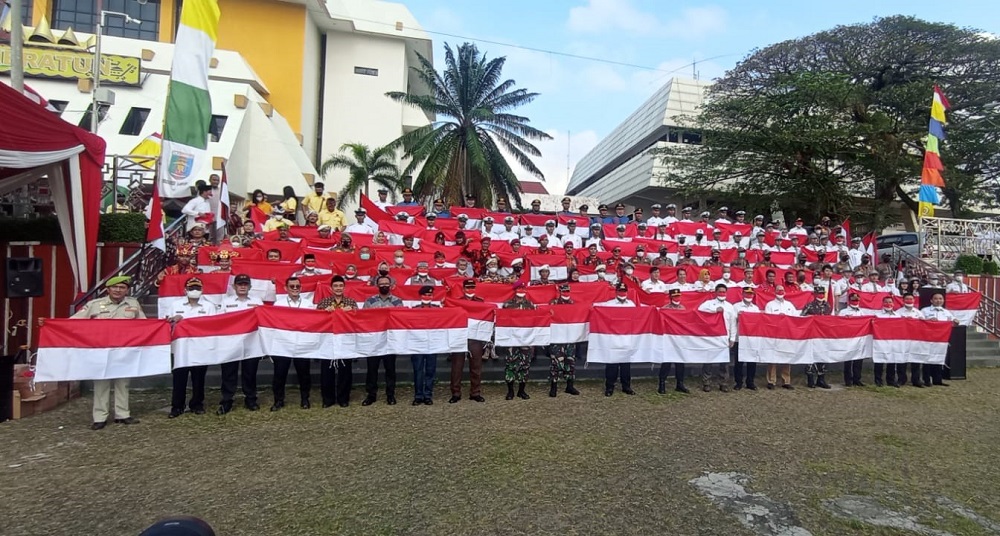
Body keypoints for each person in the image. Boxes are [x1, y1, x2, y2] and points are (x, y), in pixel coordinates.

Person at [63, 275, 145, 429]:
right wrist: (50, 324)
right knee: (101, 384)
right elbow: (73, 322)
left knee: (123, 383)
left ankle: (123, 414)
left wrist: (162, 324)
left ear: (127, 290)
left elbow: (144, 324)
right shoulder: (94, 305)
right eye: (115, 287)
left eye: (122, 288)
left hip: (123, 351)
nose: (118, 290)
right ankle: (100, 417)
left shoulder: (133, 304)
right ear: (108, 289)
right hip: (101, 351)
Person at [166, 277, 219, 418]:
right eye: (191, 288)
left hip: (200, 347)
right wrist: (174, 320)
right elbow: (165, 325)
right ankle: (177, 406)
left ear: (202, 290)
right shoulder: (175, 305)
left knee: (199, 378)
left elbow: (213, 326)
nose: (194, 291)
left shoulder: (209, 307)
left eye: (197, 288)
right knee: (179, 378)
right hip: (180, 348)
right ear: (185, 290)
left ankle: (197, 403)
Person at [217, 274, 264, 414]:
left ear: (250, 286)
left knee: (250, 373)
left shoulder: (257, 301)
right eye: (239, 284)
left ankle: (250, 399)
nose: (242, 286)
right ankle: (227, 401)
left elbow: (264, 319)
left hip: (251, 342)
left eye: (245, 284)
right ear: (234, 286)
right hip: (230, 343)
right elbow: (219, 320)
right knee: (228, 373)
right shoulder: (226, 302)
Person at [268, 277, 314, 411]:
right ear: (286, 288)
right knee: (279, 374)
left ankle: (305, 399)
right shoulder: (279, 304)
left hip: (302, 344)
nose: (295, 289)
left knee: (304, 374)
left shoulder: (308, 304)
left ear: (301, 288)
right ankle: (278, 400)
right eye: (292, 286)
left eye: (297, 286)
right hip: (283, 344)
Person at [361, 276, 404, 405]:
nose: (384, 285)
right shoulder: (369, 301)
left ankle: (390, 395)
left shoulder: (397, 302)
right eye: (382, 284)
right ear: (377, 285)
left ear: (391, 285)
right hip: (374, 341)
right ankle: (371, 395)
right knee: (372, 369)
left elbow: (400, 320)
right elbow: (363, 319)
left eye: (386, 283)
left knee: (390, 370)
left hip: (390, 341)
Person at [316, 276, 358, 407]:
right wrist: (324, 312)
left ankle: (343, 398)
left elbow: (358, 322)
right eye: (336, 286)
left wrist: (352, 313)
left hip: (345, 341)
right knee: (326, 371)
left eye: (340, 286)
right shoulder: (324, 303)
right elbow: (316, 321)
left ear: (344, 288)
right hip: (328, 341)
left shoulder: (351, 303)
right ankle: (327, 400)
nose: (338, 288)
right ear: (331, 288)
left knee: (345, 371)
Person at [450, 279, 487, 403]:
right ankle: (455, 393)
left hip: (475, 337)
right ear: (464, 288)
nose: (470, 290)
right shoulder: (458, 302)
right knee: (457, 366)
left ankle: (475, 392)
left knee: (476, 366)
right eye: (468, 287)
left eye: (472, 287)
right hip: (460, 336)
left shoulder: (480, 302)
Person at [500, 282, 536, 400]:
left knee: (525, 365)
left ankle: (521, 390)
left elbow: (535, 321)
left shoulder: (530, 305)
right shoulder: (507, 304)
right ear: (515, 290)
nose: (522, 290)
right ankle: (510, 391)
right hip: (512, 340)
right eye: (519, 288)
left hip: (526, 340)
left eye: (523, 288)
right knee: (510, 364)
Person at [698, 284, 736, 392]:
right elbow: (700, 311)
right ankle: (706, 382)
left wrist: (732, 338)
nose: (722, 294)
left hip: (725, 337)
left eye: (724, 292)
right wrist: (714, 310)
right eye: (720, 291)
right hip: (711, 337)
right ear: (715, 292)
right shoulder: (708, 304)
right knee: (708, 361)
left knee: (724, 362)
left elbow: (733, 323)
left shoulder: (730, 306)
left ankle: (723, 383)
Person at [601, 283, 636, 396]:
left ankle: (626, 386)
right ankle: (609, 387)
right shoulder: (609, 304)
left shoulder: (631, 304)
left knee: (626, 365)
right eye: (620, 291)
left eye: (624, 291)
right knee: (612, 365)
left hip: (626, 338)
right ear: (616, 291)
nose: (622, 293)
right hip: (613, 338)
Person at [547, 284, 580, 397]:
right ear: (560, 291)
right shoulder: (553, 303)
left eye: (568, 291)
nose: (566, 292)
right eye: (564, 291)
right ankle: (554, 387)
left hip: (570, 338)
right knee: (555, 363)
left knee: (570, 362)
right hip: (557, 338)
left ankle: (569, 386)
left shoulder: (573, 303)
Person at [921, 292, 959, 387]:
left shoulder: (946, 312)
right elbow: (920, 322)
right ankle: (926, 380)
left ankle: (937, 380)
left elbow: (954, 322)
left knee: (939, 358)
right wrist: (929, 321)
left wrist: (956, 322)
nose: (938, 300)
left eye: (940, 298)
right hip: (928, 339)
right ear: (931, 300)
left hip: (941, 340)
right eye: (936, 298)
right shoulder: (924, 311)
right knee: (927, 359)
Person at [410, 286, 439, 405]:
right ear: (420, 296)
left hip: (433, 343)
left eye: (429, 295)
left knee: (430, 370)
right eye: (425, 295)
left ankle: (428, 395)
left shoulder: (438, 310)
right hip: (417, 343)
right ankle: (418, 395)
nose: (427, 297)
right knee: (418, 370)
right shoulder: (414, 309)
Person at [763, 286, 796, 390]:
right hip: (774, 335)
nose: (780, 292)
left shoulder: (789, 305)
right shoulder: (770, 305)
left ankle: (786, 381)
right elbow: (767, 319)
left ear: (785, 292)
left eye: (782, 290)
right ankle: (771, 381)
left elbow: (795, 318)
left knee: (786, 357)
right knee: (772, 358)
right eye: (778, 290)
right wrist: (778, 318)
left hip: (787, 335)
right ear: (774, 292)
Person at [801, 286, 833, 389]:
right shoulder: (809, 306)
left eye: (822, 293)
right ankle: (810, 379)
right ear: (815, 294)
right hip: (812, 335)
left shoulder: (828, 305)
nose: (821, 295)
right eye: (819, 293)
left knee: (823, 357)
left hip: (824, 335)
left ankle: (821, 379)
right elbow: (802, 318)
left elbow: (830, 319)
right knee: (810, 357)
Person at [659, 289, 690, 394]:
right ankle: (662, 384)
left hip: (679, 338)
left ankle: (680, 384)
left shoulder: (683, 308)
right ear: (670, 297)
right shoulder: (665, 309)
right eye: (675, 296)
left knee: (680, 363)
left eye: (678, 296)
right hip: (668, 339)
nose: (677, 298)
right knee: (666, 362)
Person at [731, 287, 760, 390]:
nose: (749, 296)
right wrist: (738, 318)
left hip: (752, 339)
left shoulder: (755, 308)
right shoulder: (735, 307)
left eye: (751, 294)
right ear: (742, 294)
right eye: (747, 294)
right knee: (739, 362)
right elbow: (732, 322)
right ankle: (738, 382)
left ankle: (750, 382)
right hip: (739, 338)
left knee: (752, 361)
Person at [837, 293, 868, 387]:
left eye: (857, 300)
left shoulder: (862, 312)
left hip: (860, 339)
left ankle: (857, 379)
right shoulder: (843, 312)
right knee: (848, 360)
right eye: (853, 300)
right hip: (848, 339)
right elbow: (838, 323)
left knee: (859, 360)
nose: (855, 301)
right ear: (849, 300)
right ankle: (848, 380)